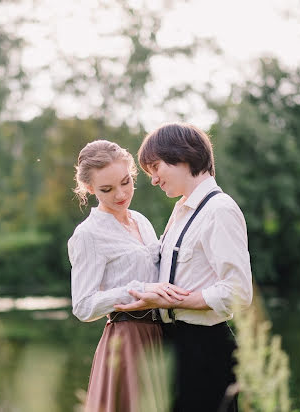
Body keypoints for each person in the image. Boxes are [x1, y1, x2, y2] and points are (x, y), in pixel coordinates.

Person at [115, 123, 253, 412]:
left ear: (182, 156)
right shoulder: (182, 210)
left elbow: (238, 292)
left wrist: (169, 300)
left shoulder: (220, 210)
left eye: (155, 167)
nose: (153, 179)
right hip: (175, 345)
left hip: (205, 348)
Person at [68, 140, 189, 412]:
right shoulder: (88, 234)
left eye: (126, 182)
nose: (121, 194)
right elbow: (83, 306)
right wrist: (136, 290)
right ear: (90, 189)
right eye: (107, 189)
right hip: (127, 341)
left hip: (161, 335)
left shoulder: (141, 221)